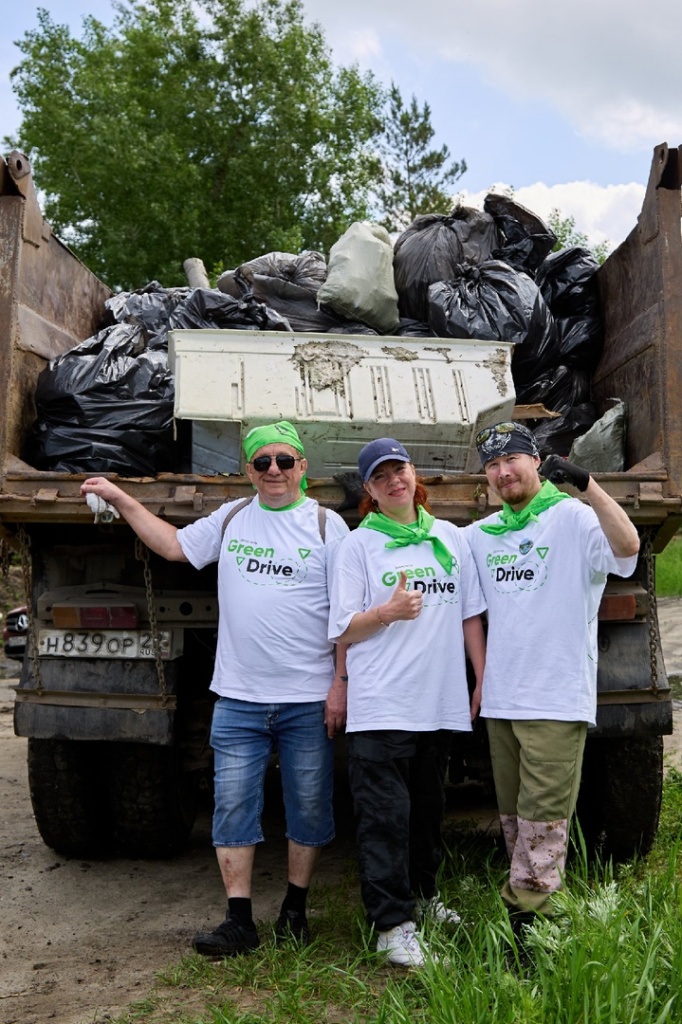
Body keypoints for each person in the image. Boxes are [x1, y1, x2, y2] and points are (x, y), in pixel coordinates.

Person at [81, 420, 349, 956]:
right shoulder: (230, 519)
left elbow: (345, 616)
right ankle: (239, 921)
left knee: (310, 806)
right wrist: (120, 497)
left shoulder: (327, 526)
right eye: (262, 462)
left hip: (306, 696)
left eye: (284, 460)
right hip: (239, 697)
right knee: (231, 806)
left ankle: (295, 912)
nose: (274, 470)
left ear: (303, 466)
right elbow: (174, 546)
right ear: (248, 471)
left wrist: (339, 685)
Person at [464, 421, 640, 928]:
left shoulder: (571, 519)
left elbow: (626, 549)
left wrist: (586, 485)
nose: (502, 472)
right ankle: (532, 909)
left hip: (555, 698)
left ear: (536, 462)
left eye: (511, 460)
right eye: (492, 466)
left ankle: (528, 926)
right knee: (515, 820)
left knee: (543, 819)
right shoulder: (483, 536)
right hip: (502, 700)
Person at [328, 438, 486, 967]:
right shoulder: (357, 546)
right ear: (369, 490)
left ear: (414, 476)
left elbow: (469, 616)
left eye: (401, 470)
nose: (394, 480)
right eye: (382, 476)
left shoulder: (449, 538)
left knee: (427, 811)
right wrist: (388, 613)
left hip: (437, 702)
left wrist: (480, 678)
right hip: (381, 705)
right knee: (384, 816)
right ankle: (392, 926)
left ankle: (426, 897)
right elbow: (343, 627)